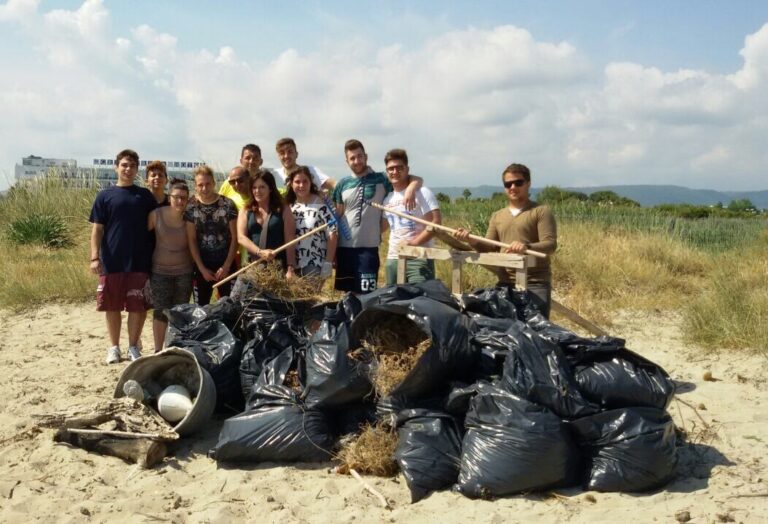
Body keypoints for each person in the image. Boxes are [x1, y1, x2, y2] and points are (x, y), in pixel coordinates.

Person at [454, 163, 557, 317]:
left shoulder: (541, 211)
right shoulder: (497, 216)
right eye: (508, 184)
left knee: (537, 334)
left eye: (518, 183)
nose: (513, 187)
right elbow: (489, 247)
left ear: (528, 184)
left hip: (534, 283)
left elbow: (550, 245)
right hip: (505, 283)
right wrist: (471, 240)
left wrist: (526, 247)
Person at [89, 149, 156, 364]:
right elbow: (97, 230)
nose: (128, 169)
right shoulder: (104, 196)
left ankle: (134, 347)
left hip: (139, 260)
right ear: (116, 167)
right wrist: (94, 257)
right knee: (112, 306)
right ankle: (114, 347)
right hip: (112, 260)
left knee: (138, 306)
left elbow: (155, 225)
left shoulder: (145, 196)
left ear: (137, 169)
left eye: (133, 166)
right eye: (124, 165)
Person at [332, 139, 421, 294]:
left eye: (359, 156)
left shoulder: (382, 179)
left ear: (366, 156)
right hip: (344, 249)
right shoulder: (342, 184)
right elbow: (338, 215)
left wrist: (411, 189)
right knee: (347, 296)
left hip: (368, 249)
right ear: (347, 161)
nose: (357, 161)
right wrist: (332, 252)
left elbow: (414, 178)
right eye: (352, 158)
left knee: (367, 295)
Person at [380, 149, 441, 286]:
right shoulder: (387, 199)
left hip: (418, 257)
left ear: (407, 169)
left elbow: (435, 224)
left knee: (420, 300)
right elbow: (382, 227)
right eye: (391, 168)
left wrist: (412, 244)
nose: (395, 172)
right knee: (393, 302)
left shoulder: (422, 192)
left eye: (399, 167)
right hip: (394, 258)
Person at [148, 178, 193, 353]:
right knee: (160, 312)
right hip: (159, 271)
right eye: (176, 197)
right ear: (170, 197)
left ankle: (174, 348)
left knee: (179, 313)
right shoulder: (156, 214)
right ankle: (158, 350)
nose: (180, 201)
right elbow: (143, 239)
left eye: (183, 198)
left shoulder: (190, 217)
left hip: (184, 272)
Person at [184, 165, 239, 305]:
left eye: (208, 184)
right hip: (202, 266)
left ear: (214, 183)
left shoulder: (227, 205)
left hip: (226, 264)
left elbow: (235, 237)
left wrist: (226, 266)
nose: (204, 188)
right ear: (195, 186)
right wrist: (202, 268)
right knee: (201, 308)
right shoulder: (191, 207)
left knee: (228, 306)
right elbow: (191, 239)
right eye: (200, 185)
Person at [236, 169, 297, 276]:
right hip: (253, 267)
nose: (257, 191)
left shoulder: (283, 209)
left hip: (277, 269)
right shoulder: (245, 210)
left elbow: (290, 240)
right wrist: (260, 252)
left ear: (271, 189)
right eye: (254, 187)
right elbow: (241, 237)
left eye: (262, 187)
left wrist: (290, 267)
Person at [285, 166, 337, 280]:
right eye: (297, 182)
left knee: (308, 297)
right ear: (291, 184)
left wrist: (328, 262)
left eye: (305, 181)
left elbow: (332, 233)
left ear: (310, 182)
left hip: (314, 263)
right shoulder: (288, 206)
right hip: (291, 265)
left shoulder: (320, 203)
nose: (301, 185)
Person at [219, 165, 252, 266]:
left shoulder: (259, 198)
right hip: (235, 251)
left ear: (248, 179)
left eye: (240, 180)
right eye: (232, 182)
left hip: (252, 250)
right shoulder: (229, 200)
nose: (236, 184)